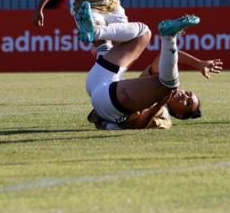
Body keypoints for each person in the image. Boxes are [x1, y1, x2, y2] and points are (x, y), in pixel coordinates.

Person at [85, 15, 221, 130]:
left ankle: (169, 37)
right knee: (143, 33)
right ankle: (96, 28)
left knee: (168, 87)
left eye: (188, 103)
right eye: (188, 94)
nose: (184, 96)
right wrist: (198, 63)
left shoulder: (165, 119)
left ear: (180, 115)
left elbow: (139, 125)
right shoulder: (151, 84)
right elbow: (164, 57)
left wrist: (160, 104)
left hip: (108, 104)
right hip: (100, 81)